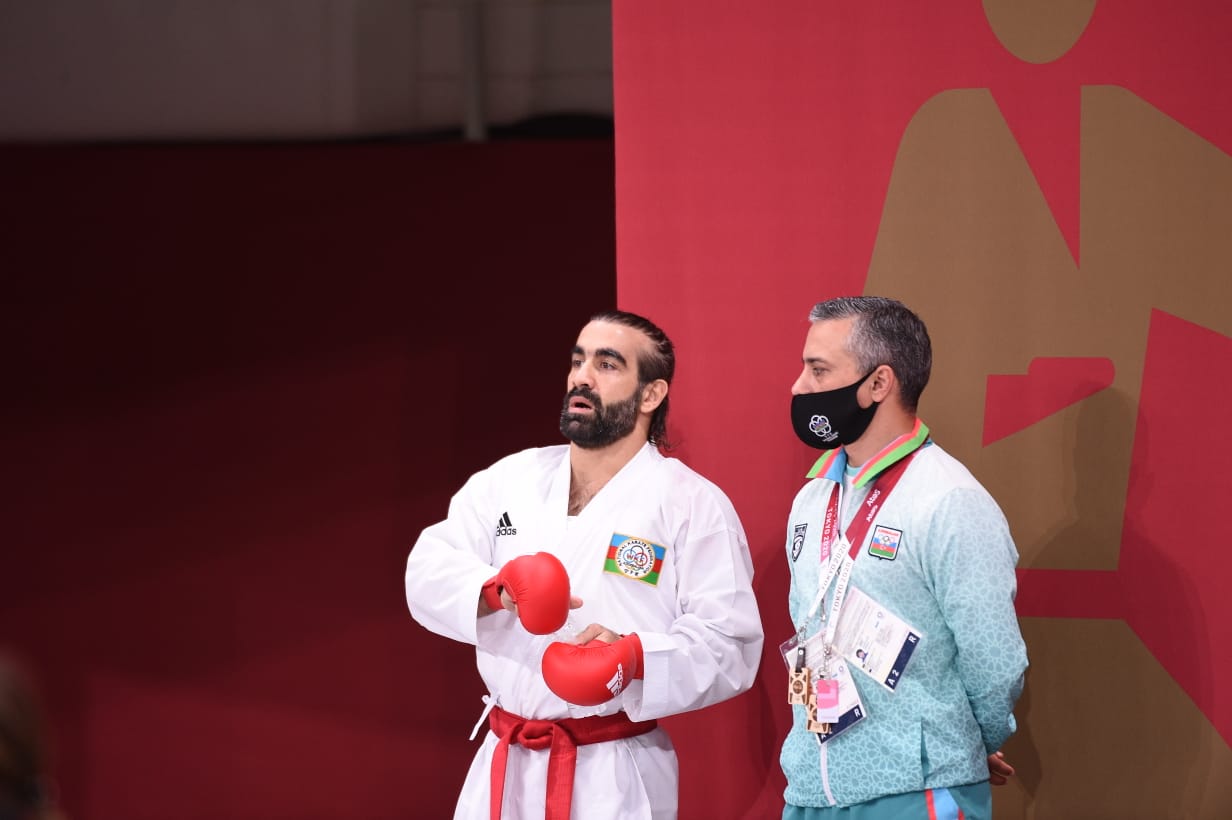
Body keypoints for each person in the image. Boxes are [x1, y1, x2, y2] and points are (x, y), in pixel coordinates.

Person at [406, 309, 763, 820]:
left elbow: (731, 643)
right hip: (504, 764)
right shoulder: (510, 479)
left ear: (651, 395)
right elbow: (427, 567)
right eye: (578, 361)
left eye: (607, 364)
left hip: (613, 773)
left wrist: (634, 658)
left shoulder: (691, 504)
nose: (582, 376)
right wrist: (493, 589)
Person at [780, 296, 1027, 819]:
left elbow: (995, 659)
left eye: (817, 369)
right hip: (809, 789)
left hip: (915, 791)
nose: (798, 386)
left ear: (878, 383)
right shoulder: (811, 499)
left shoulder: (948, 499)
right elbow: (809, 628)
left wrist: (963, 741)